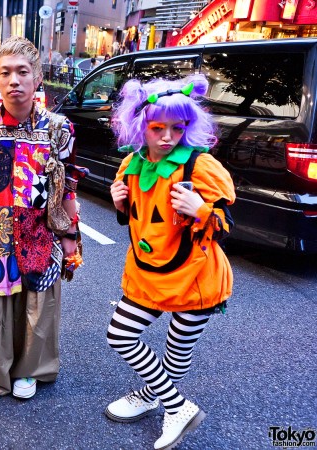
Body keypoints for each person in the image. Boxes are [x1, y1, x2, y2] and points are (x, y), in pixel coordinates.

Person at [105, 74, 235, 449]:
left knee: (177, 354)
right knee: (121, 334)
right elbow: (139, 218)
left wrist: (202, 210)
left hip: (196, 277)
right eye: (157, 128)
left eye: (176, 128)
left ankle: (153, 397)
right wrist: (120, 204)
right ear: (140, 126)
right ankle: (176, 406)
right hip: (149, 272)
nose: (166, 137)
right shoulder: (131, 164)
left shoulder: (201, 166)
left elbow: (226, 225)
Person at [0, 36, 85, 400]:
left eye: (23, 72)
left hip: (40, 228)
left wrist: (70, 238)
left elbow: (69, 185)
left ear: (37, 77)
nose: (14, 80)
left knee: (39, 301)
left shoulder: (59, 129)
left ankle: (30, 370)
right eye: (6, 72)